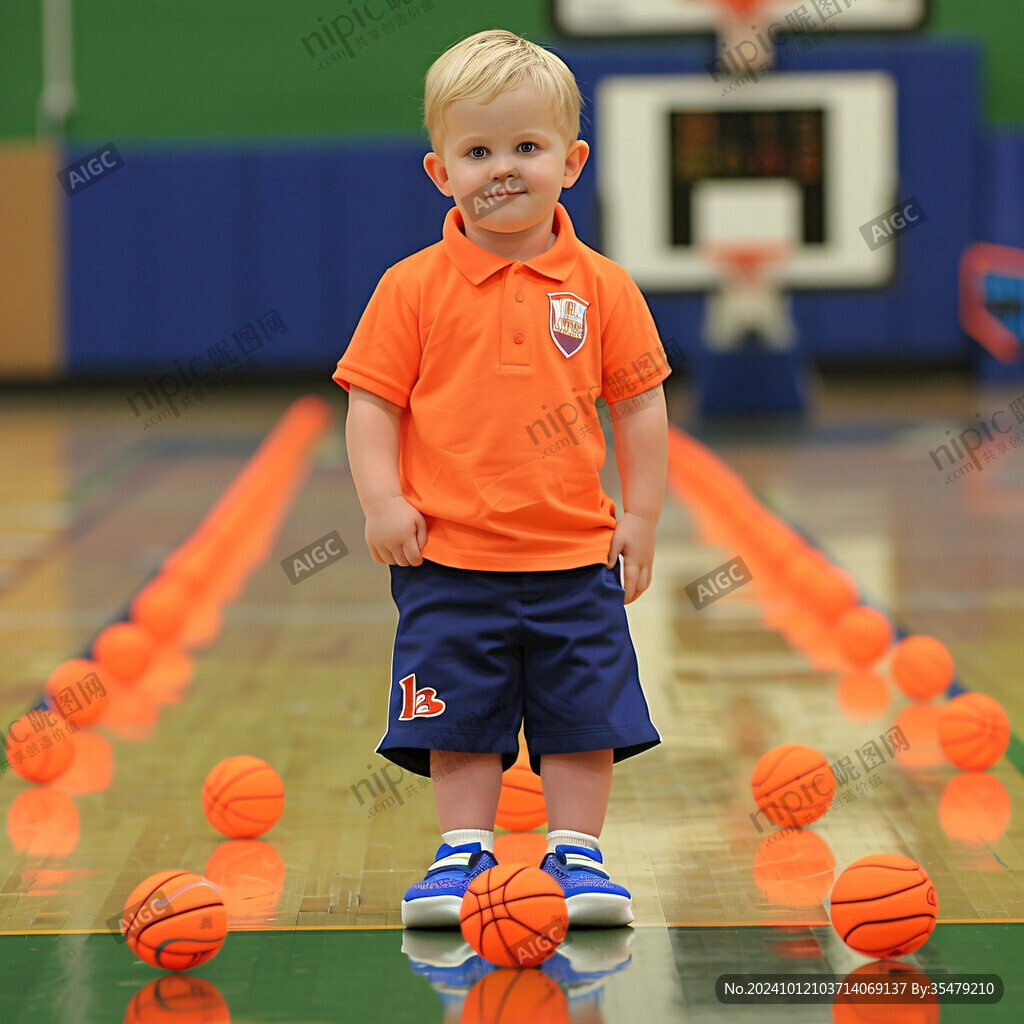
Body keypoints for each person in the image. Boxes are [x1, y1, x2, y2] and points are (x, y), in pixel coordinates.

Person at [333, 28, 669, 928]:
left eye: (527, 147)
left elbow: (638, 406)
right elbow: (373, 403)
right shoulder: (410, 288)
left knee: (583, 715)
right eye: (478, 151)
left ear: (572, 160)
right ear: (441, 171)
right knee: (456, 718)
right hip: (448, 558)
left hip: (574, 556)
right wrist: (382, 499)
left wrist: (641, 517)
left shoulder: (604, 289)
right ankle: (460, 854)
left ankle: (580, 856)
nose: (504, 169)